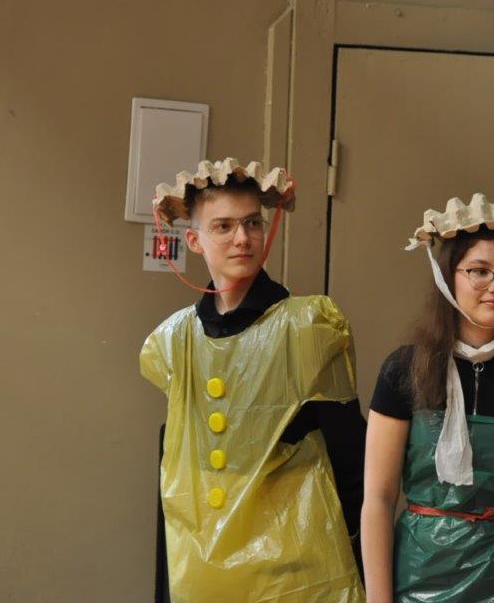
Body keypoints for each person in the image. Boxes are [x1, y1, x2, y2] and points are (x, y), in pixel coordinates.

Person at [140, 158, 366, 602]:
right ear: (194, 240)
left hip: (296, 570)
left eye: (252, 223)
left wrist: (357, 550)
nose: (242, 238)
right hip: (202, 571)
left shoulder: (306, 327)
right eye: (223, 226)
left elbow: (350, 456)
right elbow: (179, 468)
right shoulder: (175, 339)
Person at [361, 194, 494, 603]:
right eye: (479, 271)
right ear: (448, 276)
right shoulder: (403, 370)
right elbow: (378, 498)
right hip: (418, 582)